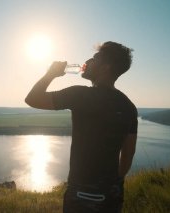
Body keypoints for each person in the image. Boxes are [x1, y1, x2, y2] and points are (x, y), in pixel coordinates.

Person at [25, 41, 137, 212]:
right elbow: (127, 156)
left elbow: (32, 99)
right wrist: (112, 184)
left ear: (105, 67)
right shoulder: (129, 107)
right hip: (112, 196)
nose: (88, 61)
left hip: (81, 197)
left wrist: (51, 73)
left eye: (95, 58)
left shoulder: (80, 95)